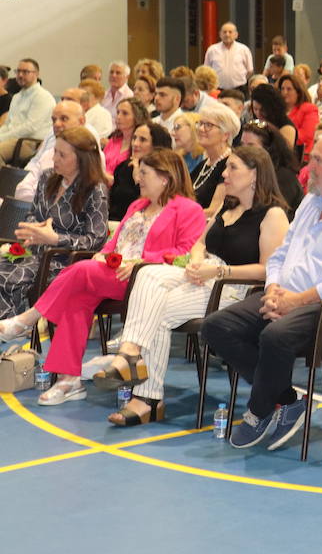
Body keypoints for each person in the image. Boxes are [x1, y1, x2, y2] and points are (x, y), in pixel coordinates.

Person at [201, 132, 322, 451]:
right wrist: (274, 288)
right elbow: (282, 252)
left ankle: (259, 410)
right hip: (290, 297)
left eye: (318, 160)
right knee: (217, 326)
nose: (310, 166)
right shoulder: (311, 201)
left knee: (275, 336)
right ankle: (286, 400)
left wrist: (298, 300)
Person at [90, 145, 291, 426]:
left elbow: (269, 269)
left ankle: (145, 398)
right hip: (203, 274)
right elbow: (200, 243)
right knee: (147, 274)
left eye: (233, 167)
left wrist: (218, 271)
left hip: (233, 286)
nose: (225, 173)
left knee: (155, 311)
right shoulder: (227, 206)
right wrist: (197, 262)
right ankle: (130, 354)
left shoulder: (272, 215)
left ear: (255, 174)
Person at [2, 149, 206, 403]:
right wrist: (102, 254)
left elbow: (185, 254)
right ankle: (69, 380)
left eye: (144, 173)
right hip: (111, 272)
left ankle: (29, 318)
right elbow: (115, 243)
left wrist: (142, 262)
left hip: (145, 279)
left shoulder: (189, 209)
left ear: (164, 178)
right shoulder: (137, 205)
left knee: (81, 270)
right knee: (77, 297)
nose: (137, 179)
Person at [0, 128, 108, 319]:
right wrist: (34, 228)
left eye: (62, 155)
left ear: (81, 159)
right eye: (54, 152)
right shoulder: (47, 177)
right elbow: (33, 213)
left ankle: (11, 326)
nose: (55, 159)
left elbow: (95, 240)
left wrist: (56, 238)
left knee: (10, 275)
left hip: (62, 261)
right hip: (34, 252)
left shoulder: (95, 190)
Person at [108, 123, 174, 221]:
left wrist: (138, 178)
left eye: (142, 140)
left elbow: (148, 203)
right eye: (134, 138)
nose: (135, 143)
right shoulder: (124, 167)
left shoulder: (162, 173)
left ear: (156, 145)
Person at [0, 58, 55, 163]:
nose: (20, 75)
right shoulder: (17, 97)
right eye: (18, 71)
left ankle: (7, 179)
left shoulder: (42, 97)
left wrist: (2, 137)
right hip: (14, 139)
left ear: (36, 74)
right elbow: (7, 124)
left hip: (30, 142)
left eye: (25, 72)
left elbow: (30, 128)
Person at [239, 120, 303, 208]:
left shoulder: (284, 177)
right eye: (242, 144)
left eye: (251, 146)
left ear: (268, 149)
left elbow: (279, 212)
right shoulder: (246, 169)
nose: (243, 150)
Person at [279, 73, 318, 163]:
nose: (284, 93)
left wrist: (282, 136)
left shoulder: (309, 108)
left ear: (299, 92)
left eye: (289, 89)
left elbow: (307, 135)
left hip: (301, 157)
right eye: (282, 89)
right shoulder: (278, 111)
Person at [203, 22, 254, 90]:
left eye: (230, 32)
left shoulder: (244, 49)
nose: (227, 34)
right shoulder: (212, 50)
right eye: (224, 32)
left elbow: (249, 71)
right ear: (220, 34)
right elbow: (206, 71)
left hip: (239, 88)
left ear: (236, 35)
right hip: (217, 89)